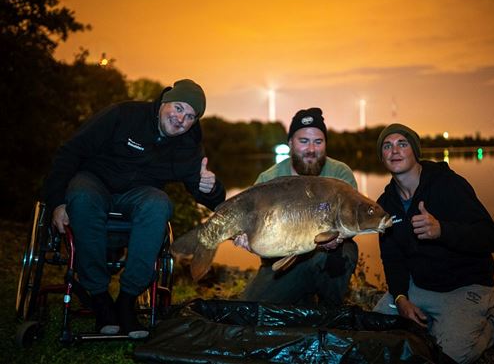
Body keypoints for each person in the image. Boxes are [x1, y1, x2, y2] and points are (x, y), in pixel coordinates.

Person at [43, 79, 226, 338]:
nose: (181, 119)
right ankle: (98, 295)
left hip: (137, 194)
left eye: (190, 116)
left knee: (159, 203)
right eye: (178, 107)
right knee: (82, 196)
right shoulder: (123, 114)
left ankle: (127, 300)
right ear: (164, 102)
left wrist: (211, 187)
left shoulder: (188, 144)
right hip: (94, 180)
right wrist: (57, 202)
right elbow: (70, 152)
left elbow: (207, 196)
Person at [373, 123, 494, 363]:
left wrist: (443, 231)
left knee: (450, 356)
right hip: (418, 286)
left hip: (464, 286)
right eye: (387, 146)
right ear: (382, 157)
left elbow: (491, 237)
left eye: (402, 144)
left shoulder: (448, 184)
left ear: (414, 151)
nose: (394, 150)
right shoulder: (385, 204)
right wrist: (400, 298)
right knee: (375, 336)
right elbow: (392, 258)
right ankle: (429, 325)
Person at [241, 107, 358, 307]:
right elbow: (258, 235)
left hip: (326, 255)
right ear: (290, 143)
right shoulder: (269, 179)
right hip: (280, 263)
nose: (311, 149)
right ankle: (302, 297)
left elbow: (351, 222)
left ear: (325, 145)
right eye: (303, 141)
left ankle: (328, 310)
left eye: (318, 142)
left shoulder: (340, 175)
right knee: (252, 311)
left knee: (345, 251)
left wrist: (336, 239)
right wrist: (249, 240)